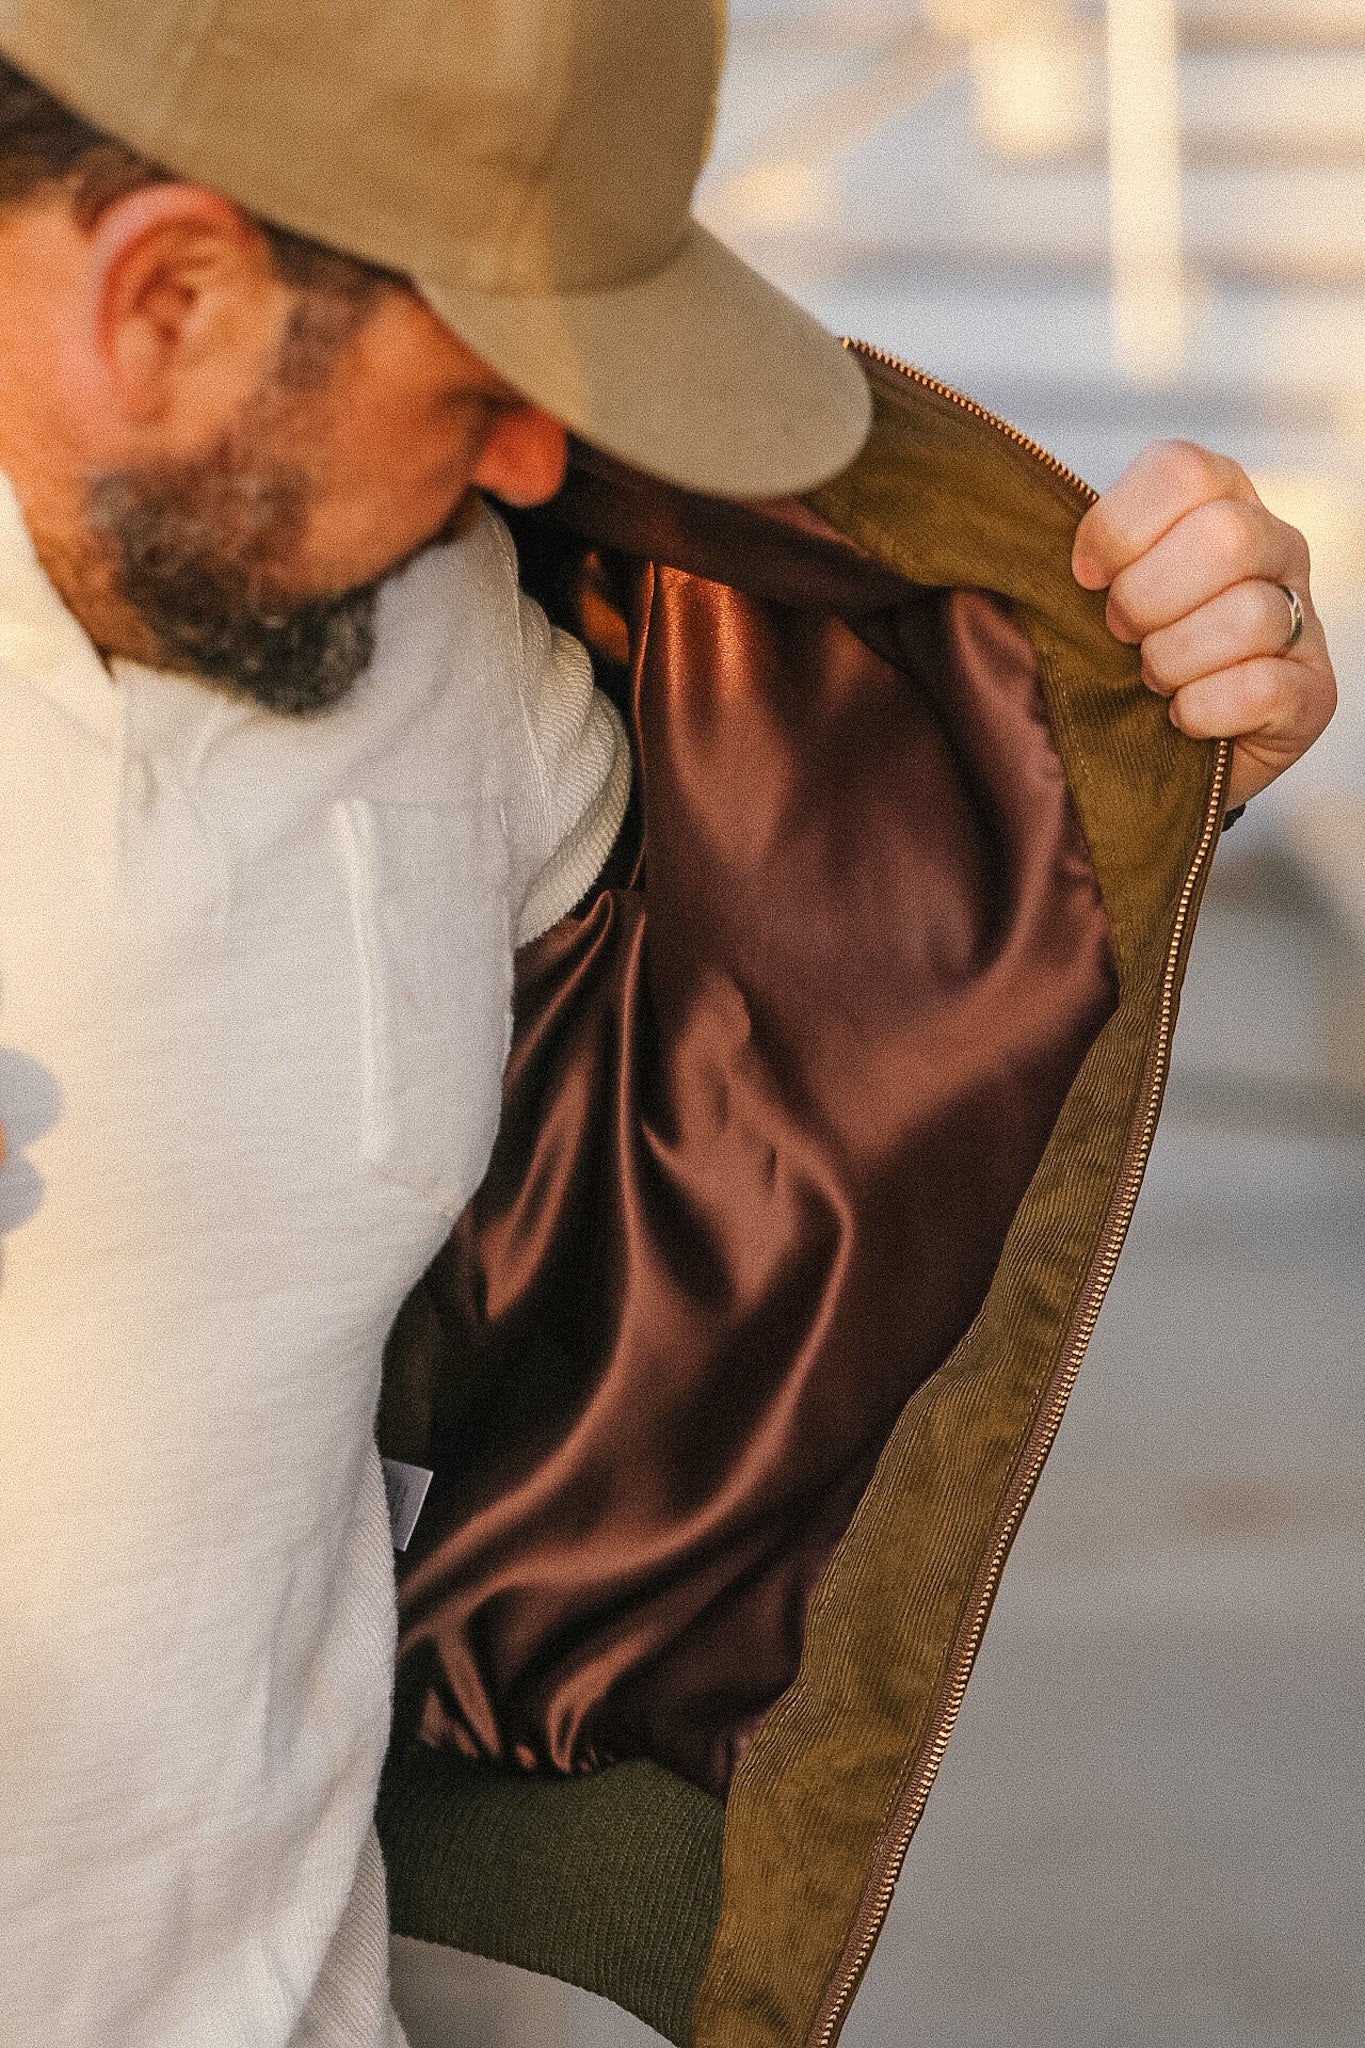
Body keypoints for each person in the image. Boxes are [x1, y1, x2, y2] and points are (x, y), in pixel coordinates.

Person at [0, 2, 1336, 2044]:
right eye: (482, 377)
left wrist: (1114, 733)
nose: (543, 456)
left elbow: (821, 970)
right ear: (162, 299)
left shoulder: (439, 637)